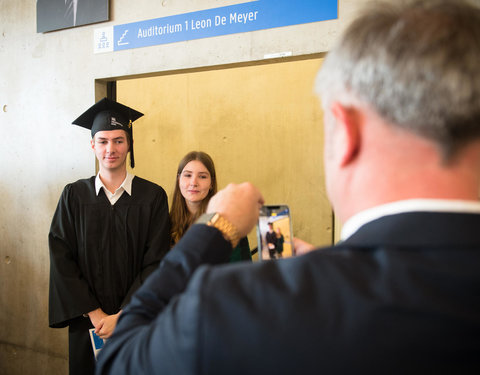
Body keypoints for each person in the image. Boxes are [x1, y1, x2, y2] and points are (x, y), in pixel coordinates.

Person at [96, 1, 480, 373]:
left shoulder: (244, 303)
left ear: (345, 132)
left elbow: (121, 361)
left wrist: (216, 229)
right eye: (187, 175)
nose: (192, 182)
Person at [48, 98, 171, 375]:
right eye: (103, 141)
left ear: (129, 145)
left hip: (137, 319)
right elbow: (62, 258)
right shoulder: (74, 196)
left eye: (118, 141)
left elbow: (156, 261)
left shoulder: (152, 197)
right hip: (88, 323)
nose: (110, 149)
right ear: (92, 145)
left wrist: (123, 315)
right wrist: (96, 314)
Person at [170, 150, 251, 261]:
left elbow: (240, 273)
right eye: (188, 175)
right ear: (179, 180)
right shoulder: (165, 224)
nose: (194, 183)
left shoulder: (229, 225)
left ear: (211, 183)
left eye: (202, 177)